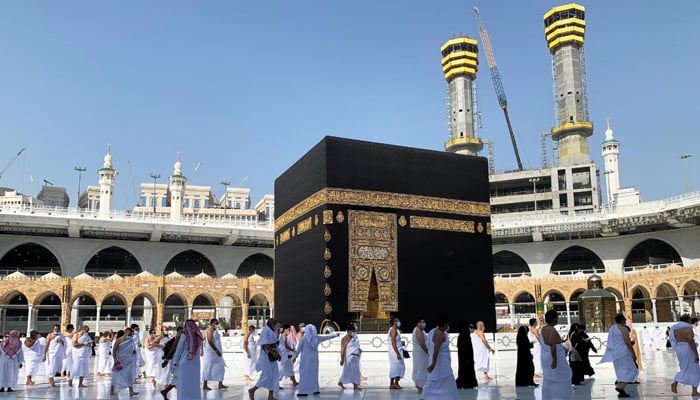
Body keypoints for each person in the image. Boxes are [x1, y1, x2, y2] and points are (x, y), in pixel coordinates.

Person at [599, 314, 638, 398]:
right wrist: (633, 353)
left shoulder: (612, 328)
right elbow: (627, 342)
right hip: (623, 353)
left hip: (615, 353)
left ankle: (621, 389)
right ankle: (620, 387)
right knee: (632, 371)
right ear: (622, 320)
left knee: (621, 371)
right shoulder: (623, 329)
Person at [295, 323, 339, 396]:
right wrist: (335, 335)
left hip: (305, 360)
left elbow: (298, 349)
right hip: (314, 360)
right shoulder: (317, 338)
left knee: (304, 375)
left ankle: (303, 391)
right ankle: (315, 389)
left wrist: (294, 357)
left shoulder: (304, 339)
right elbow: (327, 337)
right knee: (314, 374)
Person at [422, 316, 458, 399]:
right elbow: (436, 349)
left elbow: (429, 346)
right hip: (441, 366)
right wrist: (433, 364)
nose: (448, 326)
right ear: (445, 324)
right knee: (448, 386)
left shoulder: (432, 331)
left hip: (442, 365)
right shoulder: (440, 334)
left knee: (434, 385)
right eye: (447, 324)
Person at [540, 310, 573, 400]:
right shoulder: (552, 330)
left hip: (545, 358)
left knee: (549, 379)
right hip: (554, 358)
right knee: (564, 376)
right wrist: (554, 360)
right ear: (554, 319)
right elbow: (552, 345)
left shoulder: (543, 329)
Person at [248, 318, 281, 400]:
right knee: (267, 376)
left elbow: (274, 341)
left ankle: (271, 396)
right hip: (267, 356)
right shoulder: (266, 331)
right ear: (271, 324)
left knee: (274, 375)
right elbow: (265, 344)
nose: (277, 325)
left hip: (272, 356)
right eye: (275, 323)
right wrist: (275, 354)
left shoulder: (271, 330)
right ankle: (252, 390)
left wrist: (278, 332)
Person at [669, 314, 700, 396]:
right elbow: (691, 342)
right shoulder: (688, 328)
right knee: (695, 369)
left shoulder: (675, 328)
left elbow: (673, 339)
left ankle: (678, 383)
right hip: (688, 349)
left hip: (679, 348)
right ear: (688, 320)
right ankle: (693, 390)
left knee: (685, 367)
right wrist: (696, 354)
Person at [171, 319, 203, 399]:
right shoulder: (198, 335)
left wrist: (175, 361)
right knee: (193, 382)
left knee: (184, 382)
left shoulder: (185, 334)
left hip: (185, 361)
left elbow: (179, 348)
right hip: (195, 363)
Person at [110, 329, 139, 397]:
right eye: (129, 334)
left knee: (129, 375)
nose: (131, 335)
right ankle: (111, 390)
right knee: (116, 375)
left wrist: (133, 351)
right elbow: (114, 350)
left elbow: (132, 348)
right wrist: (115, 359)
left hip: (129, 360)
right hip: (120, 360)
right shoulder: (119, 340)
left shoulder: (131, 340)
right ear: (125, 332)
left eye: (131, 334)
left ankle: (131, 391)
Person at [202, 318, 228, 390]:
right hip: (211, 353)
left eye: (217, 323)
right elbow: (209, 341)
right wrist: (216, 351)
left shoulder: (216, 331)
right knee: (208, 368)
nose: (217, 325)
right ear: (212, 323)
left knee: (221, 367)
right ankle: (205, 385)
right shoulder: (209, 330)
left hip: (217, 354)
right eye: (216, 323)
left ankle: (220, 383)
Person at [159, 327, 183, 399]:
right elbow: (172, 349)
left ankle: (165, 391)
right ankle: (166, 391)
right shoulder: (175, 339)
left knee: (177, 378)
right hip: (175, 361)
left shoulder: (183, 339)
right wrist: (166, 360)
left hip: (180, 361)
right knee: (177, 378)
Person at [338, 324, 362, 390]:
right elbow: (342, 349)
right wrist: (342, 359)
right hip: (349, 357)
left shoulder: (354, 337)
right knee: (350, 371)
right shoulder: (344, 339)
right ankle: (355, 385)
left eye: (354, 331)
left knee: (353, 371)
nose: (353, 332)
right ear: (348, 331)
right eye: (352, 331)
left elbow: (356, 346)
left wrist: (359, 350)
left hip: (356, 356)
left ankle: (341, 382)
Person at [455, 322, 477, 389]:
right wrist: (467, 358)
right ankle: (467, 383)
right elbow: (466, 348)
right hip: (466, 358)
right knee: (466, 371)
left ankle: (462, 383)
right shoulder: (465, 336)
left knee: (463, 370)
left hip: (463, 357)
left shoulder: (462, 335)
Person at [387, 316, 406, 389]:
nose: (399, 322)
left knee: (395, 367)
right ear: (394, 322)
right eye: (397, 321)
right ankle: (395, 383)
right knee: (399, 367)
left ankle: (392, 383)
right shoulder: (393, 330)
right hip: (395, 352)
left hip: (396, 351)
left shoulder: (396, 330)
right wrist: (397, 353)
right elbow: (393, 342)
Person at [412, 318, 429, 394]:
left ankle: (421, 386)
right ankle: (420, 386)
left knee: (422, 368)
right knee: (421, 369)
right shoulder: (418, 331)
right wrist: (428, 352)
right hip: (420, 353)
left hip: (420, 353)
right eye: (422, 322)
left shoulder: (421, 331)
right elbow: (422, 344)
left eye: (424, 322)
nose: (423, 324)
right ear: (418, 323)